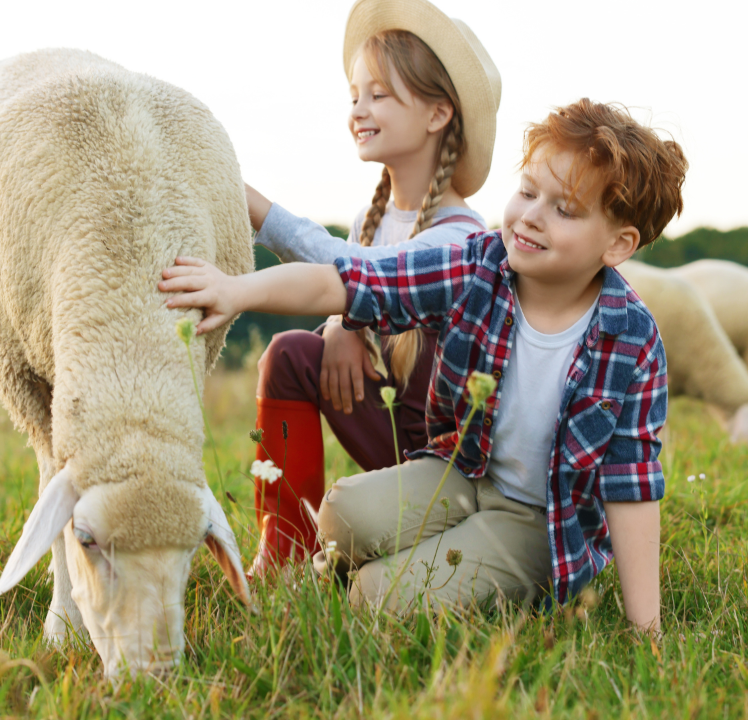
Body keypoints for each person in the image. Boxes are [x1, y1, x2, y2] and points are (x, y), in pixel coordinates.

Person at [160, 98, 688, 632]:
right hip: (463, 470)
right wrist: (236, 289)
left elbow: (632, 484)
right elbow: (346, 281)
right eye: (528, 191)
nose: (530, 216)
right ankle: (343, 567)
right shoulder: (478, 264)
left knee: (379, 595)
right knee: (341, 513)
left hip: (539, 520)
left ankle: (374, 582)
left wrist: (647, 629)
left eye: (564, 209)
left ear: (618, 244)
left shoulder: (633, 339)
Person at [243, 0, 501, 575]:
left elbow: (361, 273)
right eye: (355, 94)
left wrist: (255, 209)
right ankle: (282, 547)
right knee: (289, 353)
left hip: (448, 461)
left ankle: (413, 528)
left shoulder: (462, 237)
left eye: (379, 94)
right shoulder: (371, 216)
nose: (359, 109)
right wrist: (339, 323)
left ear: (438, 114)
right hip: (388, 429)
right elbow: (356, 272)